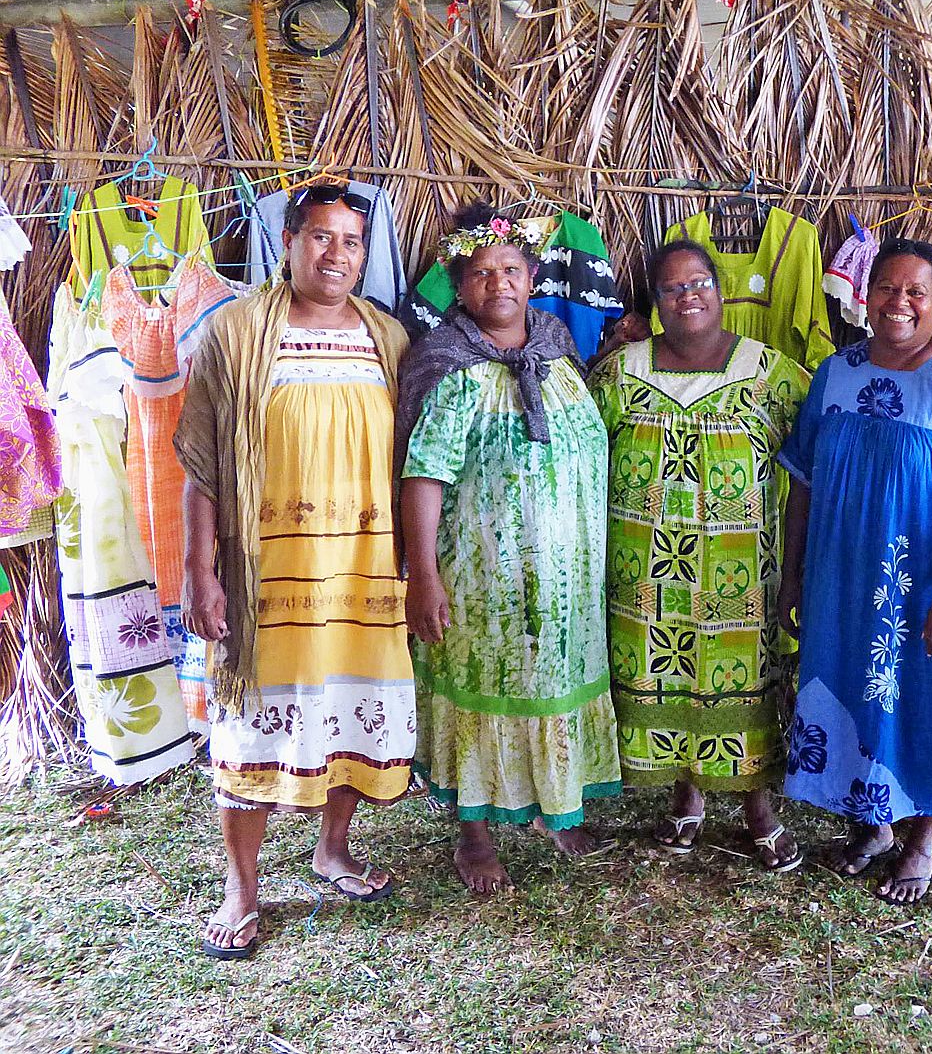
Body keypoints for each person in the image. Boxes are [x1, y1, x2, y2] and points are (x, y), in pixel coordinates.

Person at [175, 185, 415, 959]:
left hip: (362, 573)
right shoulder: (237, 333)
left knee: (350, 714)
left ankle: (331, 848)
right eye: (320, 237)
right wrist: (198, 570)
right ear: (286, 240)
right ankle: (241, 886)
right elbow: (203, 462)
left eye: (351, 241)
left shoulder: (388, 337)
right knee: (249, 730)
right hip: (265, 575)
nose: (335, 255)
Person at [777, 238, 932, 904]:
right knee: (853, 684)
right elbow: (803, 480)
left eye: (916, 291)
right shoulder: (836, 372)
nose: (899, 302)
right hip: (840, 573)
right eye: (886, 287)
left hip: (921, 582)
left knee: (926, 696)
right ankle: (873, 823)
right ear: (865, 294)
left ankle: (921, 840)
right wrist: (794, 575)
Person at [398, 205, 620, 895]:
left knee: (550, 683)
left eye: (511, 270)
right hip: (480, 577)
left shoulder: (556, 350)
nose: (498, 283)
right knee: (486, 689)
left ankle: (553, 807)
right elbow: (423, 475)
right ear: (460, 289)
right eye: (481, 273)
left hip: (565, 581)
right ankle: (473, 835)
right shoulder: (445, 365)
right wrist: (424, 575)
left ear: (532, 281)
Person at [588, 240, 810, 870]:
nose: (688, 296)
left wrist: (801, 569)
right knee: (666, 679)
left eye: (700, 283)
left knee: (741, 684)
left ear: (720, 289)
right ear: (654, 303)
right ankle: (686, 796)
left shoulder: (772, 374)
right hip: (643, 580)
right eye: (671, 288)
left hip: (740, 576)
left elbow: (818, 467)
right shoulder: (619, 373)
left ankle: (758, 809)